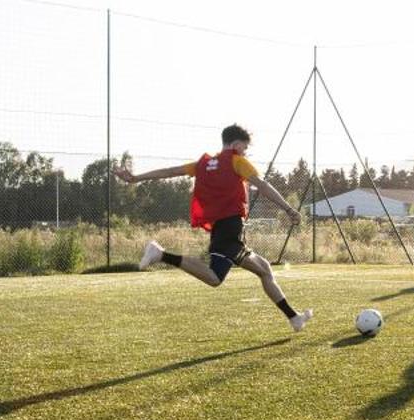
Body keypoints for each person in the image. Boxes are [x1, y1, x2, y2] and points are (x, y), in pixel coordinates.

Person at [118, 124, 314, 332]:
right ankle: (161, 254)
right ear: (237, 144)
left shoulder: (203, 164)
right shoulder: (237, 161)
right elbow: (263, 186)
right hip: (230, 229)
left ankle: (294, 318)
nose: (245, 152)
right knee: (215, 278)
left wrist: (135, 178)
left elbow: (170, 172)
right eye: (245, 148)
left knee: (263, 269)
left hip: (224, 228)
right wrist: (288, 208)